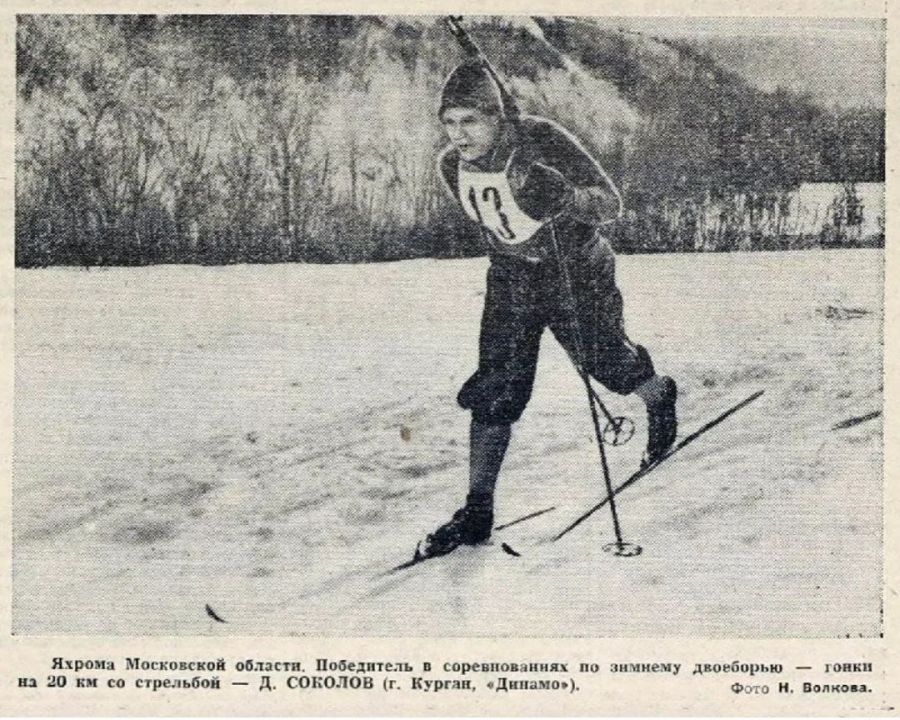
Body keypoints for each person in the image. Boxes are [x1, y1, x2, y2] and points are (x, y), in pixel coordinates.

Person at [421, 61, 677, 558]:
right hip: (513, 278)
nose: (459, 136)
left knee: (607, 364)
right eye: (449, 124)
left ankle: (659, 393)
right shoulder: (451, 166)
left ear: (496, 117)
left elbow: (610, 203)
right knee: (497, 388)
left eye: (470, 121)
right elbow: (498, 223)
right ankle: (477, 510)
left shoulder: (542, 140)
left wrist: (564, 197)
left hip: (575, 269)